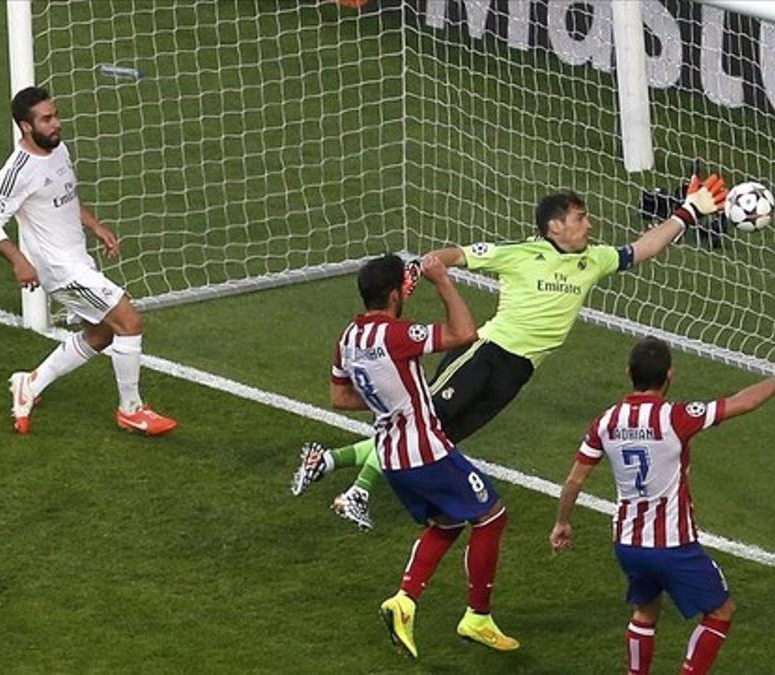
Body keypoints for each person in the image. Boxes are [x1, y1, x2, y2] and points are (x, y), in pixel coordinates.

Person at [293, 176, 729, 529]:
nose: (589, 225)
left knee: (440, 439)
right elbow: (455, 255)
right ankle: (356, 493)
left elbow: (645, 247)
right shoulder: (520, 254)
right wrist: (422, 268)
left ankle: (327, 459)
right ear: (554, 226)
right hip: (484, 355)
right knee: (421, 428)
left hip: (517, 373)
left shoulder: (594, 259)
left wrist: (687, 213)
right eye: (580, 218)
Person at [549, 337, 775, 675]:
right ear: (670, 374)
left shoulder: (605, 421)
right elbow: (742, 403)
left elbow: (575, 480)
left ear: (628, 373)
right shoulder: (676, 418)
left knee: (646, 610)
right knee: (721, 611)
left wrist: (562, 522)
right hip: (672, 545)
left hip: (628, 544)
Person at [330, 253, 517, 659]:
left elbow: (339, 397)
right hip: (425, 452)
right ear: (395, 294)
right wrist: (442, 280)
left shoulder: (348, 338)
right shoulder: (396, 335)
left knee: (448, 522)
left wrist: (390, 399)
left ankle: (405, 600)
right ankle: (478, 617)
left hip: (392, 459)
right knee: (492, 514)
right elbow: (464, 333)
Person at [0, 86, 177, 436]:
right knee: (129, 321)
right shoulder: (17, 172)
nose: (57, 123)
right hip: (60, 270)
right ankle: (131, 410)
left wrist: (95, 225)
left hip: (78, 260)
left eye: (55, 115)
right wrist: (18, 262)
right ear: (27, 126)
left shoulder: (58, 150)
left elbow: (65, 198)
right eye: (47, 118)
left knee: (101, 334)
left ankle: (31, 385)